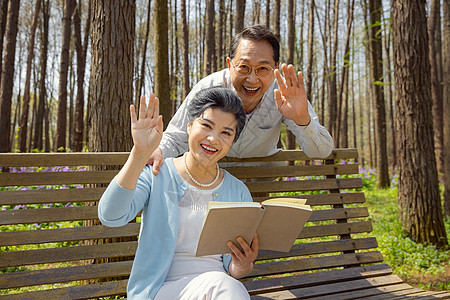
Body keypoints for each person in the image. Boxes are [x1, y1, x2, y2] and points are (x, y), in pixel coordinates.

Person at [98, 87, 258, 300]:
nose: (213, 139)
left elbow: (233, 271)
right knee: (224, 286)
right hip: (159, 290)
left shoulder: (238, 191)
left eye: (225, 133)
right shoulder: (158, 174)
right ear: (189, 126)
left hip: (218, 290)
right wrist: (139, 154)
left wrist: (242, 264)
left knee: (225, 285)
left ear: (232, 141)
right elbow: (111, 216)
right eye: (206, 126)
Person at [148, 24, 333, 175]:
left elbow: (321, 152)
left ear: (275, 67)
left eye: (262, 69)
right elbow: (176, 137)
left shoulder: (286, 94)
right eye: (243, 67)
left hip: (260, 185)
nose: (252, 79)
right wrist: (159, 151)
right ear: (230, 65)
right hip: (209, 182)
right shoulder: (208, 88)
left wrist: (302, 120)